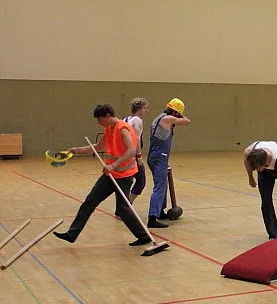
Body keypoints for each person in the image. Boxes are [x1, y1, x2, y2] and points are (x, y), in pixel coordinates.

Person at [53, 104, 151, 246]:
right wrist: (77, 150)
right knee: (90, 201)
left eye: (99, 119)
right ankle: (71, 234)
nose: (98, 123)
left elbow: (131, 150)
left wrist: (114, 165)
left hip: (124, 175)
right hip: (110, 175)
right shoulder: (108, 128)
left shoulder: (122, 128)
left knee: (123, 209)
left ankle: (144, 236)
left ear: (107, 116)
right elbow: (99, 147)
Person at [146, 98, 191, 228]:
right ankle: (152, 218)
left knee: (162, 186)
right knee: (159, 187)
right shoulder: (167, 119)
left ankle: (159, 211)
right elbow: (187, 121)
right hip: (159, 157)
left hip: (156, 156)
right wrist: (180, 115)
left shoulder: (160, 117)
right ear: (176, 112)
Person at [122, 97, 148, 205]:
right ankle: (128, 204)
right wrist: (139, 156)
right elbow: (136, 139)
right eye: (144, 108)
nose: (145, 110)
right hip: (132, 155)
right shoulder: (137, 121)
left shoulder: (125, 119)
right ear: (139, 108)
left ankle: (124, 205)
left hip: (124, 154)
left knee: (126, 181)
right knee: (141, 181)